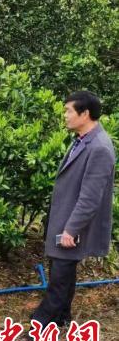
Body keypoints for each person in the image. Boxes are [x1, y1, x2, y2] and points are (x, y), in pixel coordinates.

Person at [31, 91, 116, 328]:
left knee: (59, 277)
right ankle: (61, 318)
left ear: (85, 113)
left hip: (73, 225)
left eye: (69, 111)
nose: (65, 116)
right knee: (63, 274)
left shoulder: (99, 147)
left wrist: (71, 229)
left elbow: (90, 198)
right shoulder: (83, 139)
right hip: (65, 219)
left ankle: (41, 324)